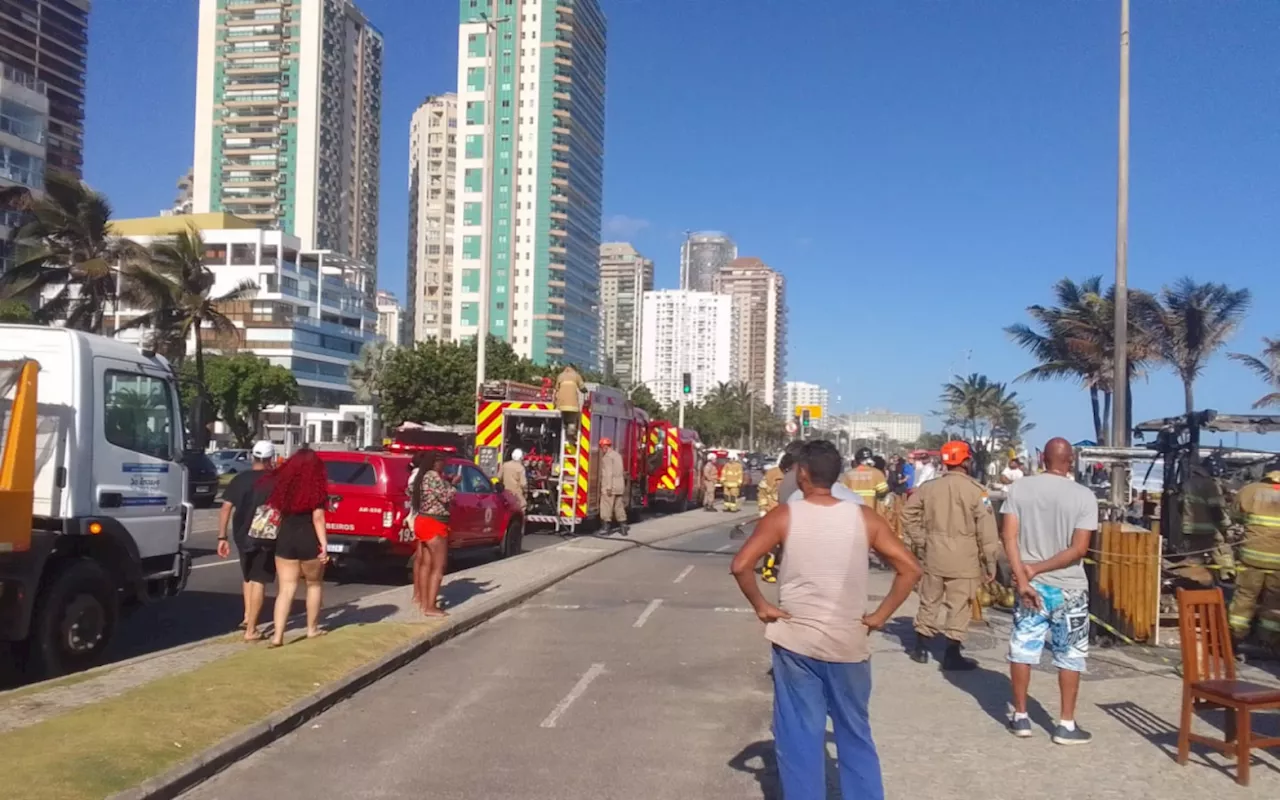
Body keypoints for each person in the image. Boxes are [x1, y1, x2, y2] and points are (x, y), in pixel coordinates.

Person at [730, 440, 921, 800]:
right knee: (855, 734)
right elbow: (910, 569)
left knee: (800, 735)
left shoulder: (785, 515)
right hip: (849, 642)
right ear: (836, 477)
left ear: (802, 473)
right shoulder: (864, 518)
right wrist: (879, 616)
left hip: (797, 642)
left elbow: (741, 565)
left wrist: (762, 606)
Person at [1001, 437, 1098, 745]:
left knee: (1022, 648)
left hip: (1031, 587)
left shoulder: (1018, 489)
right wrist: (1038, 568)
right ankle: (1065, 723)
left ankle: (1020, 716)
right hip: (1069, 588)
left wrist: (1024, 575)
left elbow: (1009, 538)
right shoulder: (1084, 496)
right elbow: (1078, 549)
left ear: (1042, 458)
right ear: (1071, 460)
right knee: (1069, 654)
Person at [903, 440, 999, 670]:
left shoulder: (929, 488)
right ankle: (952, 654)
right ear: (966, 461)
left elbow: (908, 514)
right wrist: (990, 561)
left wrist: (920, 539)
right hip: (964, 558)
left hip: (934, 552)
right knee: (959, 605)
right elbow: (987, 530)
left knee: (929, 600)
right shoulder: (979, 492)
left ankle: (920, 647)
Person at [266, 447, 332, 647]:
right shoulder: (316, 489)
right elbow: (318, 518)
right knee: (314, 584)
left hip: (286, 538)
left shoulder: (283, 487)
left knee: (286, 589)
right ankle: (312, 628)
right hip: (309, 539)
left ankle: (278, 635)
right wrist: (324, 544)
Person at [217, 440, 278, 641]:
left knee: (248, 576)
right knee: (259, 579)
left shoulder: (240, 479)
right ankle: (251, 629)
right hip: (265, 535)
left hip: (242, 535)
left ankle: (247, 615)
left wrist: (222, 536)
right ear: (271, 459)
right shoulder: (276, 481)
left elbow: (225, 507)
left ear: (253, 457)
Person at [1227, 457, 1280, 650]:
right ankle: (1269, 641)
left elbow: (1235, 517)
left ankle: (1235, 638)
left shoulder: (1249, 490)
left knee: (1245, 598)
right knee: (1274, 603)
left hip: (1251, 557)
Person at [412, 452, 459, 616]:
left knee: (426, 564)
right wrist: (454, 485)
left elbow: (410, 490)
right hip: (435, 523)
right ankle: (431, 607)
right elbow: (446, 497)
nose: (444, 465)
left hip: (422, 520)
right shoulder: (433, 477)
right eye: (443, 462)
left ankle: (424, 603)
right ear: (435, 462)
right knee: (438, 567)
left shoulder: (422, 476)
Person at [1176, 456, 1236, 582]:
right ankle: (1227, 577)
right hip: (1209, 529)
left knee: (1194, 557)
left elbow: (1180, 504)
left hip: (1189, 528)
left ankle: (1192, 582)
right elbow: (1216, 509)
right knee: (1221, 549)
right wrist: (1225, 526)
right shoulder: (1210, 484)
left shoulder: (1188, 483)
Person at [841, 448, 890, 512]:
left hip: (853, 514)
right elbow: (884, 498)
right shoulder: (878, 474)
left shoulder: (848, 475)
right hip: (871, 514)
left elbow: (841, 494)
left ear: (856, 460)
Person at [598, 437, 629, 535]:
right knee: (619, 507)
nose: (601, 449)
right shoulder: (617, 455)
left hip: (611, 486)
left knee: (606, 506)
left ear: (605, 447)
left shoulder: (607, 457)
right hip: (620, 486)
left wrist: (608, 487)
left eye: (601, 447)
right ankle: (623, 526)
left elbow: (608, 473)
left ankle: (605, 528)